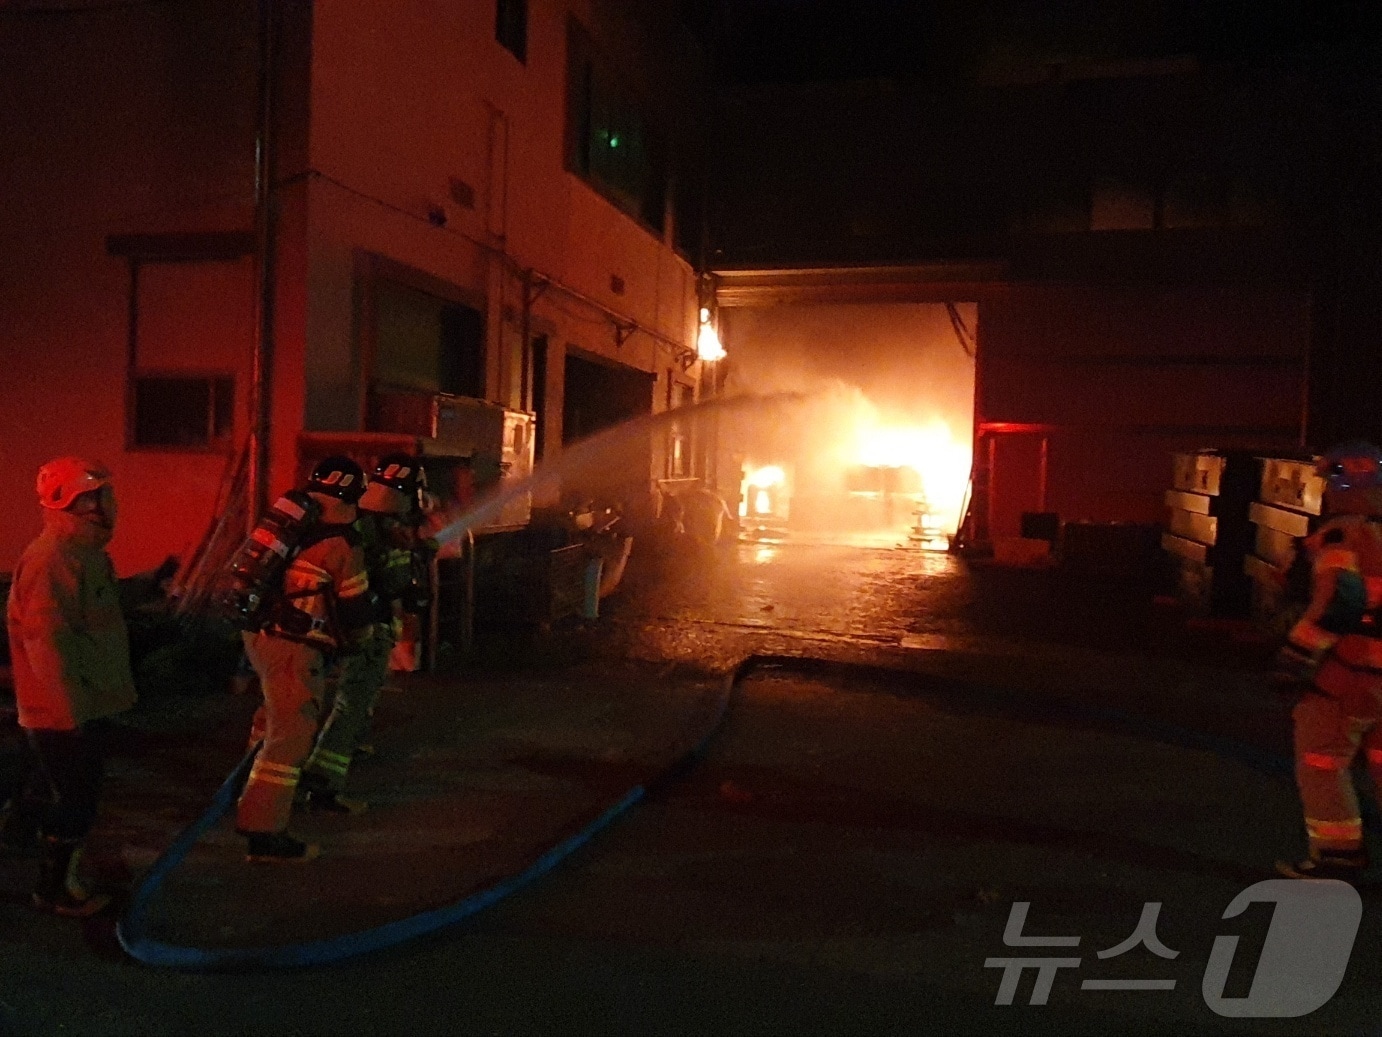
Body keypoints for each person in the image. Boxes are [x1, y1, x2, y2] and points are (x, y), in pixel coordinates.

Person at [5, 457, 137, 915]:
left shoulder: (84, 555)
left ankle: (58, 874)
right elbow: (49, 647)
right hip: (62, 714)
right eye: (97, 496)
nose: (108, 505)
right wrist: (70, 715)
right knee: (75, 801)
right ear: (73, 504)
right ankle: (54, 889)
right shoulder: (53, 560)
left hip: (81, 707)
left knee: (64, 795)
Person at [236, 456, 374, 862]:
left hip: (259, 636)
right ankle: (264, 834)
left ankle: (249, 791)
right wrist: (362, 641)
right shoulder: (341, 544)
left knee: (272, 720)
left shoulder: (291, 526)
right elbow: (356, 609)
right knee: (291, 735)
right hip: (294, 647)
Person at [298, 454, 432, 814]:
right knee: (353, 702)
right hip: (366, 626)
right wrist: (413, 558)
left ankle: (269, 774)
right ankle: (324, 781)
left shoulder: (354, 517)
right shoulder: (387, 531)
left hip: (321, 624)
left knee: (303, 701)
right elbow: (395, 583)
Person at [1275, 440, 1382, 882]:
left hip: (1348, 674)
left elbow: (1336, 603)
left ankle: (1337, 859)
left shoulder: (1343, 536)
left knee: (1323, 762)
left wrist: (1293, 659)